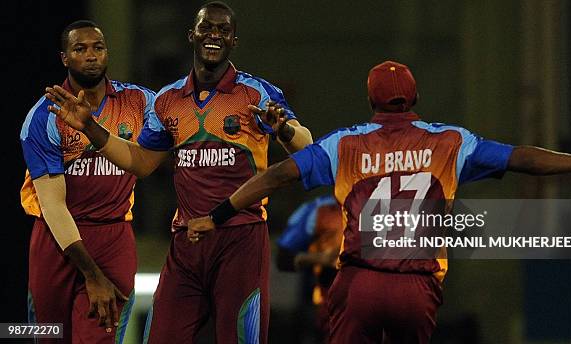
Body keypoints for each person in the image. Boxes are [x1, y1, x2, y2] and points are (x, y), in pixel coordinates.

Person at [187, 60, 571, 343]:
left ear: (370, 101)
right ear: (416, 99)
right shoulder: (450, 141)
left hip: (359, 285)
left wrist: (217, 214)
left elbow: (278, 175)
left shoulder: (345, 143)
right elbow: (522, 158)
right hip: (418, 287)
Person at [44, 2, 313, 343]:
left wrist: (284, 130)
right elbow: (141, 162)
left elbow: (306, 146)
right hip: (186, 243)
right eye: (207, 28)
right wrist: (91, 128)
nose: (214, 35)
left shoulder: (257, 93)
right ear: (192, 36)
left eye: (223, 30)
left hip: (240, 240)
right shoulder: (168, 99)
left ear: (234, 41)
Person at [20, 20, 153, 343]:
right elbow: (53, 207)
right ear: (65, 57)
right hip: (57, 240)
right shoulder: (43, 116)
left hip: (114, 235)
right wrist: (92, 274)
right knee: (48, 336)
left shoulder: (141, 103)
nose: (91, 55)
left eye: (98, 47)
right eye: (80, 49)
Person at [276, 195, 343, 342]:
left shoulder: (381, 204)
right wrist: (322, 258)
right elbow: (283, 258)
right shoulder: (320, 209)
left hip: (371, 305)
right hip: (324, 305)